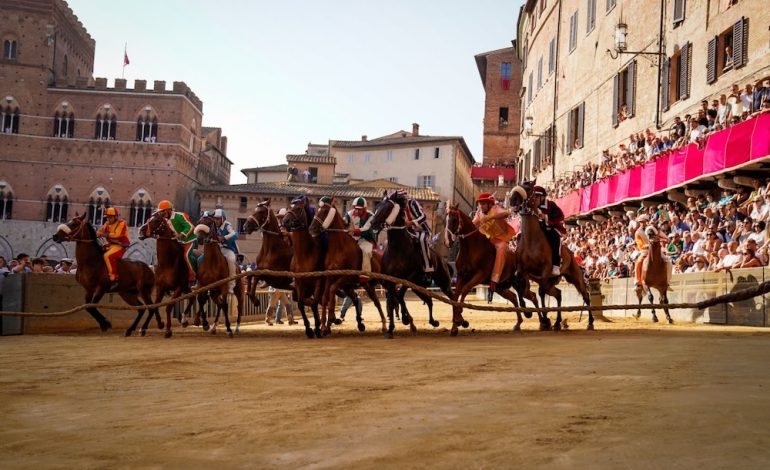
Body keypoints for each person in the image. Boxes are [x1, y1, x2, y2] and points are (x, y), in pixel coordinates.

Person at [472, 192, 516, 301]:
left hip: (501, 239)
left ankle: (494, 280)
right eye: (479, 204)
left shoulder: (496, 209)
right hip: (489, 239)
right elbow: (473, 224)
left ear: (489, 204)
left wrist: (490, 218)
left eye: (483, 204)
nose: (480, 206)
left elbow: (506, 214)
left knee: (501, 249)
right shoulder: (479, 213)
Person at [393, 188, 434, 276]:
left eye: (400, 201)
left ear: (405, 199)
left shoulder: (413, 203)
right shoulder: (397, 208)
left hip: (422, 230)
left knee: (422, 240)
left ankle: (428, 268)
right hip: (408, 231)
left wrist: (411, 223)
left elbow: (423, 217)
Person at [157, 200, 197, 282]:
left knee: (186, 256)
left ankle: (192, 275)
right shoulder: (165, 220)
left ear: (168, 210)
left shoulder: (180, 216)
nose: (161, 214)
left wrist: (181, 234)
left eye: (162, 212)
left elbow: (190, 226)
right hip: (177, 242)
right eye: (160, 212)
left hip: (188, 241)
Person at [532, 185, 566, 276]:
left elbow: (561, 216)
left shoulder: (551, 205)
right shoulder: (530, 206)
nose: (535, 199)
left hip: (549, 229)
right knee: (520, 237)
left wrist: (546, 217)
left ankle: (556, 265)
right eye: (533, 196)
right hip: (534, 231)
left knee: (555, 238)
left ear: (542, 197)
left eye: (537, 197)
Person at [341, 196, 376, 282]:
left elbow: (366, 229)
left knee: (367, 251)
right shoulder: (349, 214)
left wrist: (353, 231)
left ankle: (366, 274)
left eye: (359, 209)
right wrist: (343, 223)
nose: (357, 211)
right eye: (355, 208)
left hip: (366, 239)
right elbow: (344, 222)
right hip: (352, 240)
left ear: (364, 208)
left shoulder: (371, 216)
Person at [96, 207, 129, 290]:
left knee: (108, 256)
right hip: (110, 245)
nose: (108, 219)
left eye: (110, 217)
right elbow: (99, 232)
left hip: (120, 246)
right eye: (107, 217)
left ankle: (114, 278)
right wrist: (98, 233)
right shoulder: (107, 224)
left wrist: (104, 234)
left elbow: (117, 235)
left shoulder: (122, 223)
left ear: (115, 217)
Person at [212, 208, 239, 294]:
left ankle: (231, 284)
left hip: (227, 249)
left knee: (231, 260)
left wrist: (224, 237)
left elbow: (235, 234)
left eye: (218, 219)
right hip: (216, 249)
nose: (216, 221)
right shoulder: (213, 226)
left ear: (223, 219)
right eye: (215, 218)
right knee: (202, 258)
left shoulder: (227, 225)